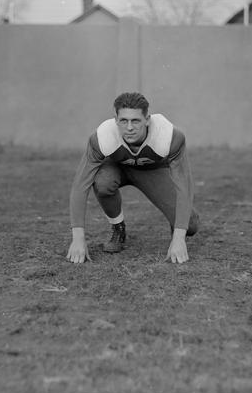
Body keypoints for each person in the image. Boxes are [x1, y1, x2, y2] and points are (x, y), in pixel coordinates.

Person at [66, 92, 199, 264]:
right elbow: (80, 185)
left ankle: (176, 227)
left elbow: (184, 186)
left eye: (135, 121)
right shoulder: (102, 137)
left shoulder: (169, 136)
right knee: (103, 182)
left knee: (191, 225)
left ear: (147, 119)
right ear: (116, 120)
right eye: (124, 121)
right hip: (116, 168)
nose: (129, 128)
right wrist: (78, 239)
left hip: (151, 171)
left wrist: (179, 238)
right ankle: (118, 228)